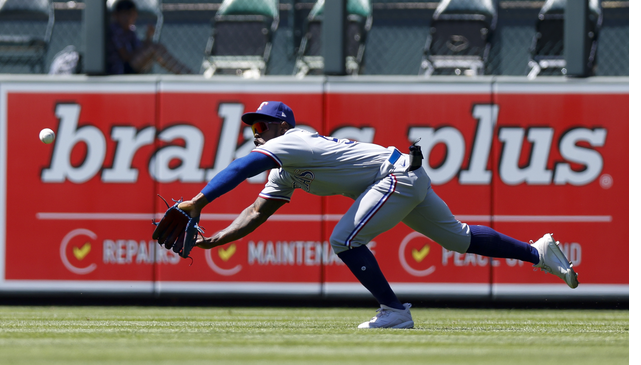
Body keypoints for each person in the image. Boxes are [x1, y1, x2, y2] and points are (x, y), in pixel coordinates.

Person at [172, 101, 579, 329]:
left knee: (343, 240)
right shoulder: (285, 169)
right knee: (459, 238)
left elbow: (241, 168)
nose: (255, 129)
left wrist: (198, 202)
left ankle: (395, 312)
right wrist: (215, 240)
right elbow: (256, 212)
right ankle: (537, 253)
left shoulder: (294, 141)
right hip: (405, 174)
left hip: (395, 175)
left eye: (261, 123)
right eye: (252, 124)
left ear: (281, 124)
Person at [106, 0, 193, 75]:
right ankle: (187, 74)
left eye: (131, 14)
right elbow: (126, 56)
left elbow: (137, 48)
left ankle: (185, 73)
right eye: (124, 14)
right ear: (116, 15)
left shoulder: (130, 30)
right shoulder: (115, 30)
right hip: (119, 70)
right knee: (153, 49)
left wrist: (147, 38)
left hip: (130, 65)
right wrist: (146, 48)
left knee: (156, 48)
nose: (128, 18)